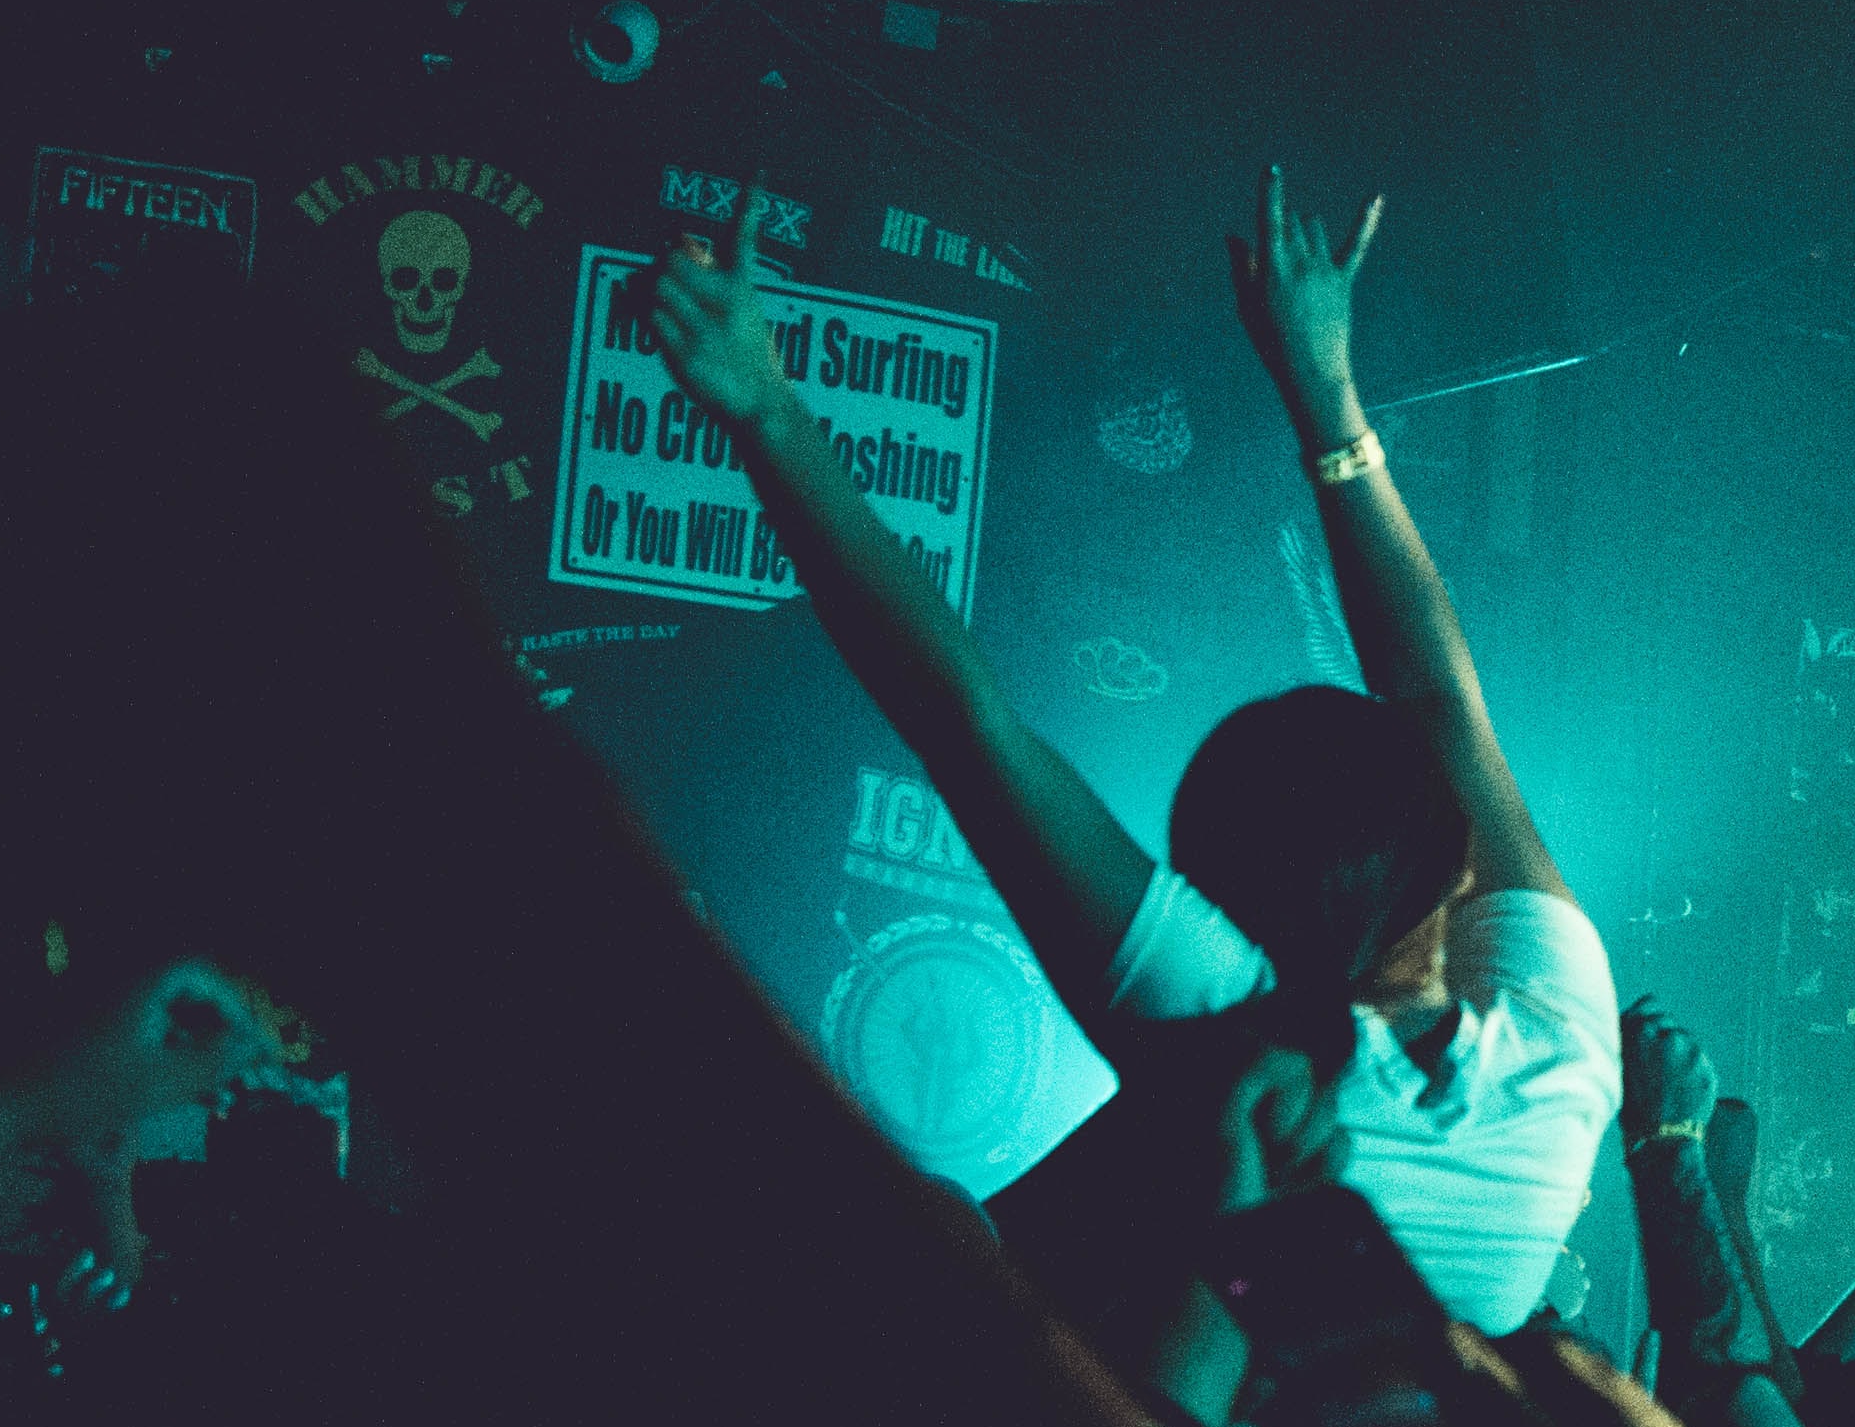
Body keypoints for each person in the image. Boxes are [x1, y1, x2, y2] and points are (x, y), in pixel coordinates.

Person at [644, 171, 1612, 1329]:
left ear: (1225, 903)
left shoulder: (1215, 1027)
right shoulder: (1556, 1043)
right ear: (1457, 867)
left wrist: (762, 411)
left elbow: (965, 719)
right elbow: (1437, 699)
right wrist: (1326, 391)